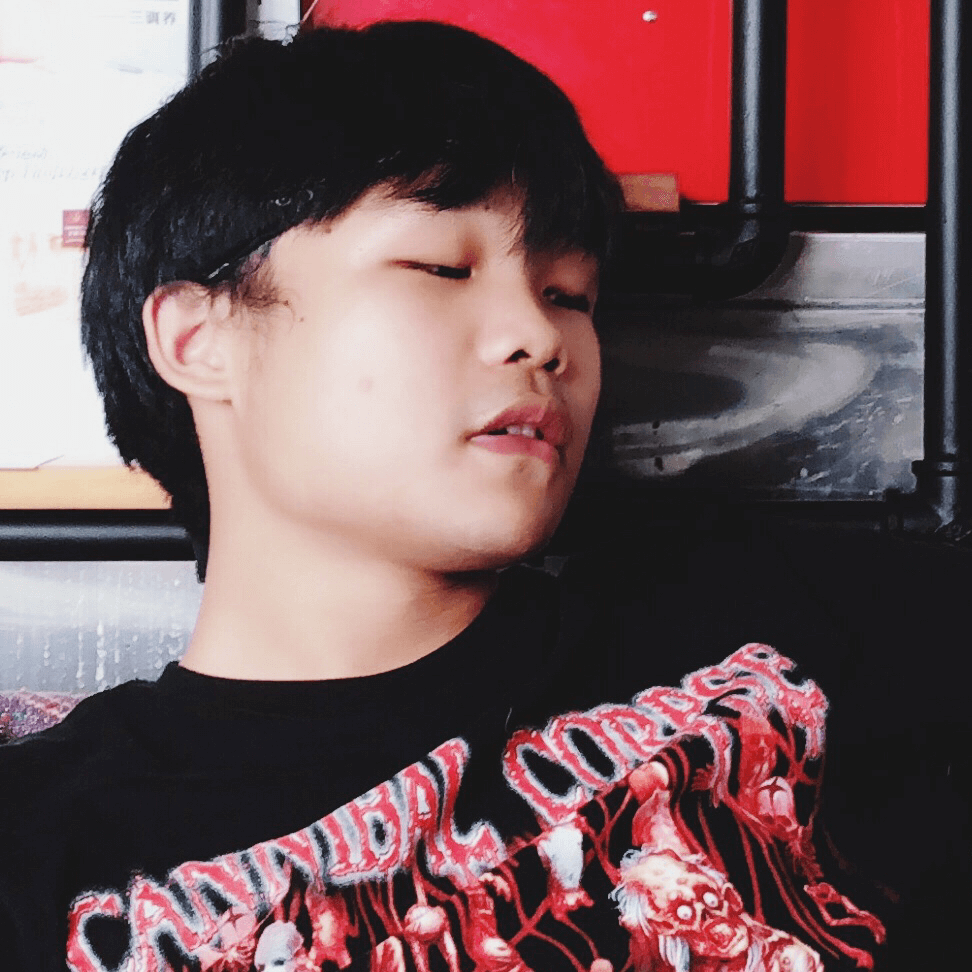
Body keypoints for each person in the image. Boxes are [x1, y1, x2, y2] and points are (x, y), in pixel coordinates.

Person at [0, 19, 968, 972]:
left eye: (570, 295)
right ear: (200, 339)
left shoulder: (793, 630)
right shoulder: (41, 846)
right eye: (440, 267)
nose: (539, 338)